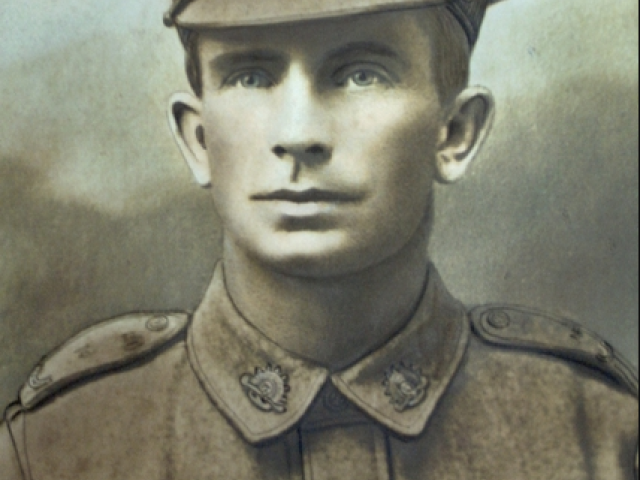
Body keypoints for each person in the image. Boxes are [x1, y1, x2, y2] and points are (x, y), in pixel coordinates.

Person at [1, 0, 637, 478]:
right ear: (198, 141)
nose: (299, 133)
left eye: (362, 74)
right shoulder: (57, 443)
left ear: (455, 133)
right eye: (251, 76)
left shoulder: (598, 430)